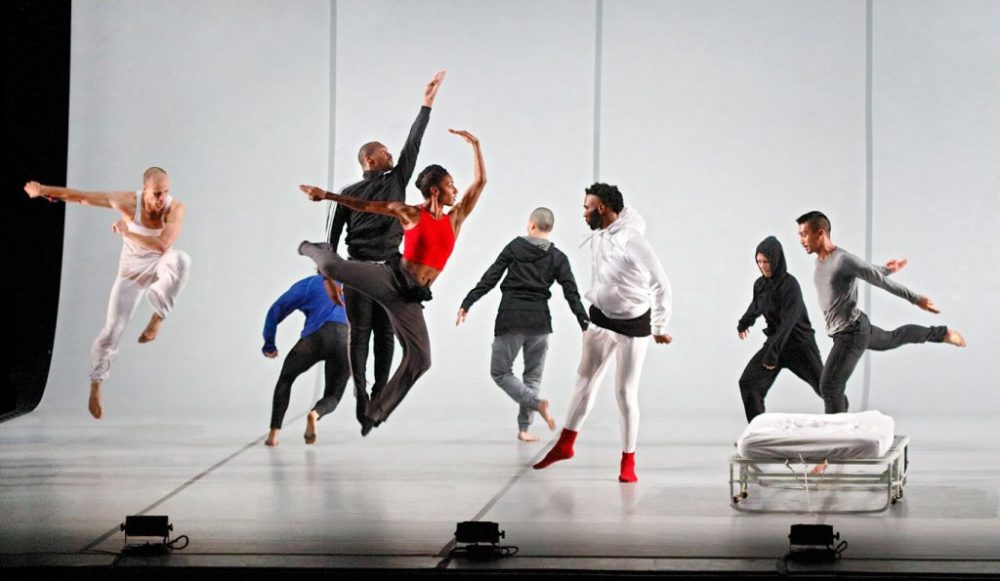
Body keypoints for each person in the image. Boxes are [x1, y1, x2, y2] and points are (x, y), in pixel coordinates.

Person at [298, 128, 486, 433]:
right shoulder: (410, 213)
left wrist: (475, 145)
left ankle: (375, 411)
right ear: (435, 191)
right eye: (450, 185)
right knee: (332, 267)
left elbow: (480, 183)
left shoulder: (456, 217)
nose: (456, 190)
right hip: (390, 277)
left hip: (411, 297)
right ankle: (309, 247)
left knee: (421, 360)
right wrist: (327, 195)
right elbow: (365, 206)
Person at [329, 71, 446, 431]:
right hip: (360, 270)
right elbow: (331, 237)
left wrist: (426, 104)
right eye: (384, 152)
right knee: (360, 333)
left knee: (384, 334)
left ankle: (377, 396)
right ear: (369, 159)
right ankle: (361, 394)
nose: (392, 154)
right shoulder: (350, 193)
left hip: (391, 271)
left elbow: (414, 143)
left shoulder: (396, 178)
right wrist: (329, 278)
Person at [23, 168, 190, 419]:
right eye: (157, 193)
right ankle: (96, 384)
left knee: (181, 260)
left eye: (165, 192)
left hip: (160, 264)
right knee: (112, 330)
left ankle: (158, 318)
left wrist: (127, 232)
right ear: (145, 190)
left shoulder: (175, 208)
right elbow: (82, 197)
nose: (161, 199)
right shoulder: (126, 202)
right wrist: (42, 190)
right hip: (131, 273)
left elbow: (162, 246)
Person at [533, 183, 672, 483]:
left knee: (624, 393)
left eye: (587, 207)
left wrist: (659, 326)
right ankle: (565, 445)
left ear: (602, 208)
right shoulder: (601, 233)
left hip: (631, 325)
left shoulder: (631, 240)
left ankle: (628, 461)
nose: (583, 213)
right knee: (583, 381)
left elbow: (661, 283)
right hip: (600, 319)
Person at [796, 211, 966, 414]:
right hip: (855, 328)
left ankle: (837, 431)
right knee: (894, 338)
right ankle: (942, 334)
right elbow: (867, 268)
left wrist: (916, 299)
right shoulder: (821, 259)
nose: (801, 241)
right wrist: (887, 268)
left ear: (820, 233)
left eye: (804, 234)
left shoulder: (842, 260)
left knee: (830, 386)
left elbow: (879, 281)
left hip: (850, 333)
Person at [456, 207, 590, 442]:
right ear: (550, 228)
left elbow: (490, 278)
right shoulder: (558, 257)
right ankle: (525, 429)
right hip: (540, 322)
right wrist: (584, 323)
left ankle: (536, 404)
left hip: (511, 318)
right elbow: (572, 294)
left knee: (500, 372)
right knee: (533, 378)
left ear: (532, 225)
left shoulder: (514, 247)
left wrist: (468, 302)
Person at [736, 236, 824, 422]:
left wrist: (772, 353)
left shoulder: (790, 285)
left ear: (776, 260)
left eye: (766, 262)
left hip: (799, 346)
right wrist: (744, 322)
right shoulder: (760, 284)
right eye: (759, 262)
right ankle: (758, 431)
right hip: (775, 345)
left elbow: (787, 323)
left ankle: (844, 422)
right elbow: (757, 305)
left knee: (827, 388)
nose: (762, 266)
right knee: (748, 383)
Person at [262, 274, 350, 446]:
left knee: (286, 379)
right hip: (345, 341)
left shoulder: (310, 283)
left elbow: (277, 308)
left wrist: (269, 344)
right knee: (333, 394)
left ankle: (274, 434)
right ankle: (315, 414)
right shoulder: (353, 285)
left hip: (315, 338)